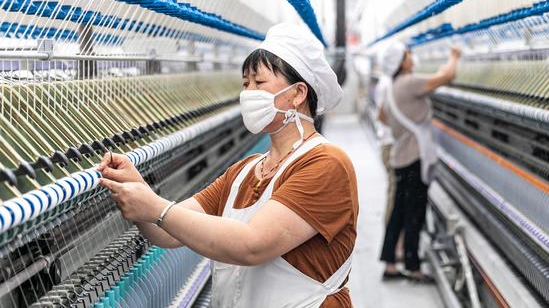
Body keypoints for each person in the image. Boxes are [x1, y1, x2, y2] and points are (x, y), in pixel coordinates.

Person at [98, 23, 359, 308]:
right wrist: (134, 187)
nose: (248, 93)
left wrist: (156, 207)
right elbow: (165, 232)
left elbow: (252, 245)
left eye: (259, 83)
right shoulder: (243, 173)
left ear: (297, 94)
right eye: (245, 84)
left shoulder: (326, 164)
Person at [378, 41, 460, 282]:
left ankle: (390, 264)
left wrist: (402, 128)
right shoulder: (409, 83)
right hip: (414, 158)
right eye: (408, 54)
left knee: (398, 213)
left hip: (400, 157)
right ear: (402, 62)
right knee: (414, 213)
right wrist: (454, 55)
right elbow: (445, 76)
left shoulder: (393, 87)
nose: (412, 56)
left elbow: (382, 116)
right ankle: (413, 268)